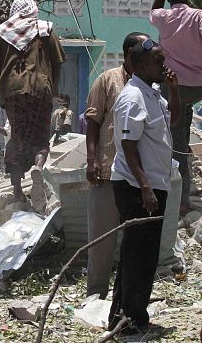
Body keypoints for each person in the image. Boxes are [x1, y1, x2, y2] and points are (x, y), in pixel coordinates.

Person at [108, 38, 180, 334]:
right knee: (140, 255)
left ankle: (123, 317)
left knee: (139, 253)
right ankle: (133, 321)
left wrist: (174, 90)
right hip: (137, 186)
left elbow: (173, 119)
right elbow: (128, 144)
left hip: (152, 184)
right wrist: (145, 187)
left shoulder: (152, 94)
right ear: (139, 66)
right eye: (158, 62)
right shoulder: (132, 97)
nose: (164, 66)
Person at [84, 31, 150, 299]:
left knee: (134, 241)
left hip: (138, 176)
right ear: (129, 54)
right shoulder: (107, 80)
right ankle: (96, 292)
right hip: (109, 171)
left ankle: (126, 295)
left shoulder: (150, 86)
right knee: (101, 237)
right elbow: (93, 122)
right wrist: (91, 160)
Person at [0, 0, 66, 202]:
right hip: (40, 90)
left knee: (18, 137)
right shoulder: (46, 29)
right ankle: (37, 167)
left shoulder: (4, 30)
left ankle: (18, 189)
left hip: (13, 91)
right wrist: (53, 89)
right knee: (39, 136)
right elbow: (58, 61)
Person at [150, 0, 202, 215]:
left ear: (169, 0)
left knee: (175, 144)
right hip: (198, 85)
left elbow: (154, 10)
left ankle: (179, 200)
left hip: (174, 87)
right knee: (182, 125)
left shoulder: (164, 18)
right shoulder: (198, 16)